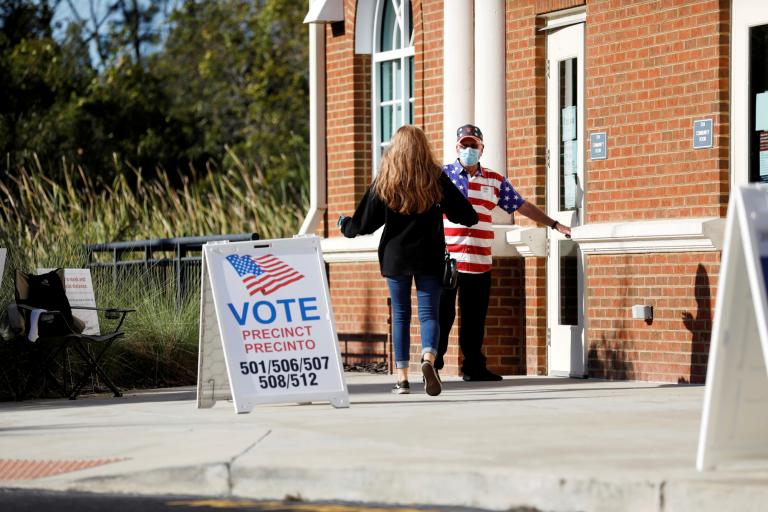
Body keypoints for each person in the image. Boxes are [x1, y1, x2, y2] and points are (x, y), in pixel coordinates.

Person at [340, 125, 477, 396]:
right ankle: (427, 360)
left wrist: (345, 224)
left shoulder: (386, 179)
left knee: (401, 315)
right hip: (429, 255)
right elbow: (466, 214)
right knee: (429, 313)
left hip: (396, 256)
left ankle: (401, 379)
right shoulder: (435, 177)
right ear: (423, 147)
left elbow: (363, 224)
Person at [437, 124, 572, 381]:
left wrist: (554, 224)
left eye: (473, 145)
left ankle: (474, 367)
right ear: (456, 147)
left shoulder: (494, 180)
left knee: (475, 318)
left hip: (479, 260)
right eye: (464, 145)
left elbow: (521, 206)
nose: (468, 150)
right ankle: (434, 363)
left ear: (482, 148)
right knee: (443, 314)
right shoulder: (443, 176)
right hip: (448, 260)